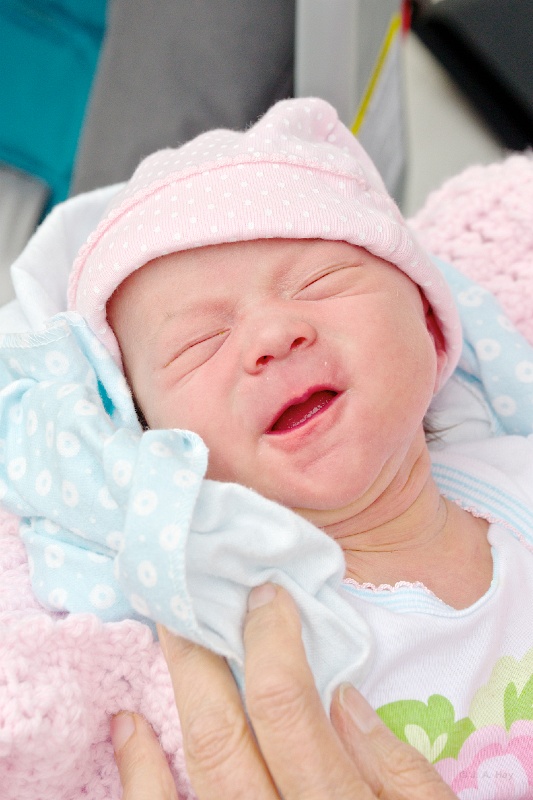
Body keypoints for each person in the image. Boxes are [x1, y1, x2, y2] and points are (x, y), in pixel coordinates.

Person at [1, 97, 532, 797]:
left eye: (318, 281)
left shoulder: (517, 482)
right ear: (150, 446)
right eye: (199, 343)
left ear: (432, 325)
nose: (272, 336)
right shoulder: (228, 626)